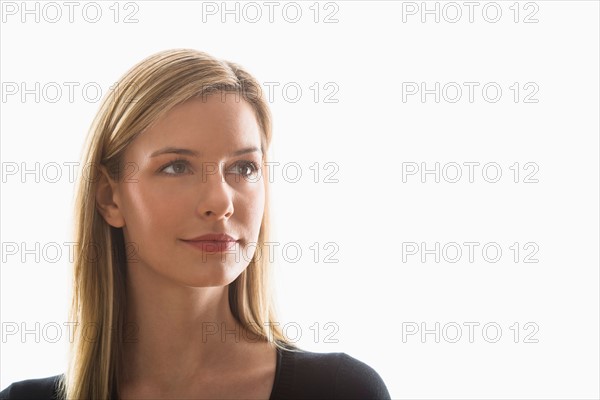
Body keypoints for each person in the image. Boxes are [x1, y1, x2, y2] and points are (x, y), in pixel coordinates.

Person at [0, 49, 391, 400]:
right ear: (109, 197)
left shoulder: (339, 391)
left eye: (243, 167)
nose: (220, 202)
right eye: (176, 167)